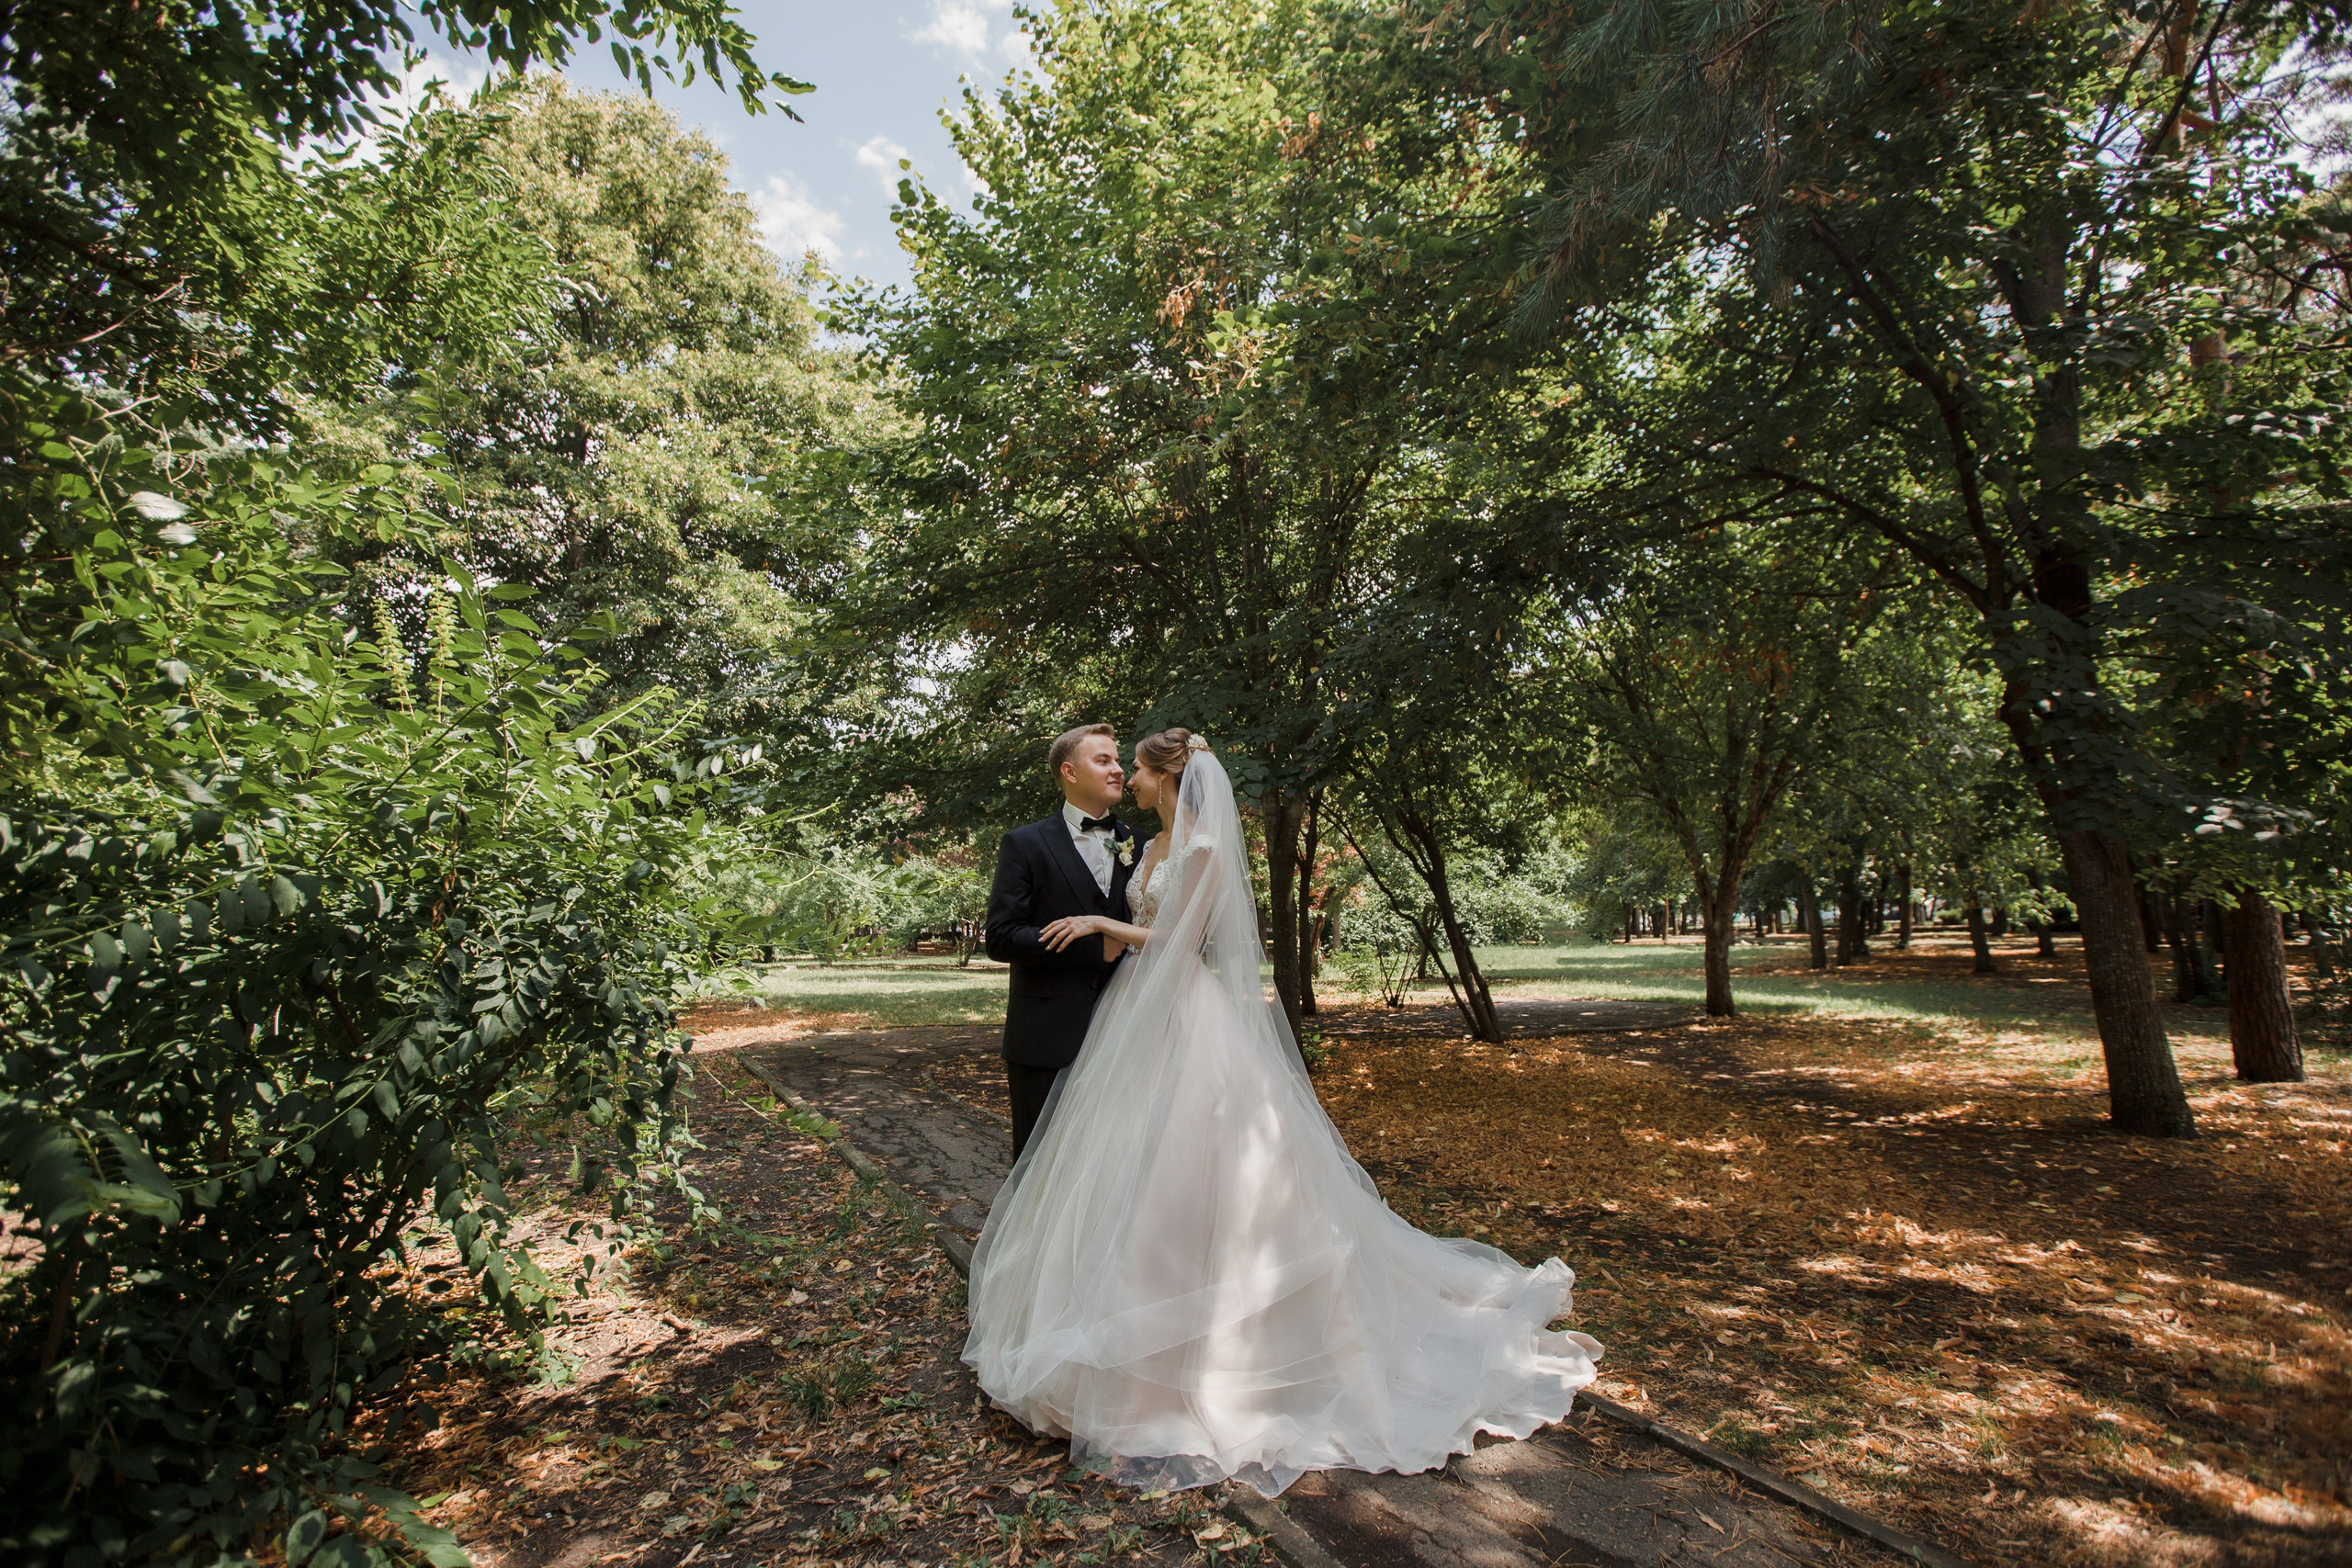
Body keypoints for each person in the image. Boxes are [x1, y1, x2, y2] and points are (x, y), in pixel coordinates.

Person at [963, 728, 1603, 1498]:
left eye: (1134, 766)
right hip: (1128, 1016)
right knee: (1125, 1167)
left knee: (1196, 1165)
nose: (1126, 775)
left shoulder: (1201, 848)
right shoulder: (1148, 844)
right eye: (1114, 762)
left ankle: (1201, 1353)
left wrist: (1104, 926)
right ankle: (1110, 1324)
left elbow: (1183, 938)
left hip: (1186, 1016)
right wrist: (1099, 932)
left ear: (1167, 775)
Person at [982, 723, 1142, 1159]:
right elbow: (1000, 937)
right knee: (1040, 1166)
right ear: (1070, 772)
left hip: (1128, 1033)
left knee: (1115, 1164)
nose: (1119, 770)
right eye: (1103, 760)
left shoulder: (1142, 843)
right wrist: (1091, 947)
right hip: (1045, 1037)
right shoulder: (1025, 844)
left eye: (1118, 760)